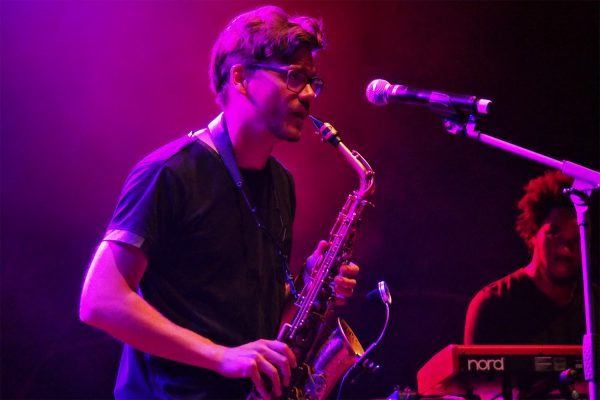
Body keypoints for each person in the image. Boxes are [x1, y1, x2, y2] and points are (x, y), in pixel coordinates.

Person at [79, 6, 359, 399]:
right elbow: (100, 299)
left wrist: (310, 287)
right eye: (295, 77)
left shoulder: (282, 184)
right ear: (241, 78)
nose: (310, 94)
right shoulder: (170, 172)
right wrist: (221, 357)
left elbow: (253, 327)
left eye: (313, 81)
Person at [464, 170, 592, 345]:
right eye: (554, 233)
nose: (566, 247)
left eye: (577, 235)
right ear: (533, 234)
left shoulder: (594, 308)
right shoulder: (493, 305)